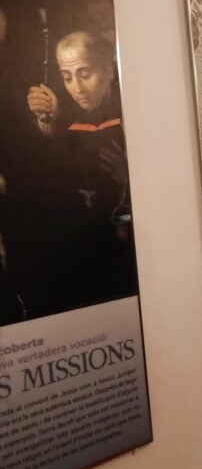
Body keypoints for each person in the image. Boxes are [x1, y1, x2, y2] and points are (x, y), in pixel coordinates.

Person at [25, 31, 136, 313]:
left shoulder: (132, 111)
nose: (77, 87)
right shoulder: (69, 118)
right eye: (67, 76)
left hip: (128, 250)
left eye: (85, 73)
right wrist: (48, 125)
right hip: (86, 249)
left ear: (109, 69)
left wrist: (132, 178)